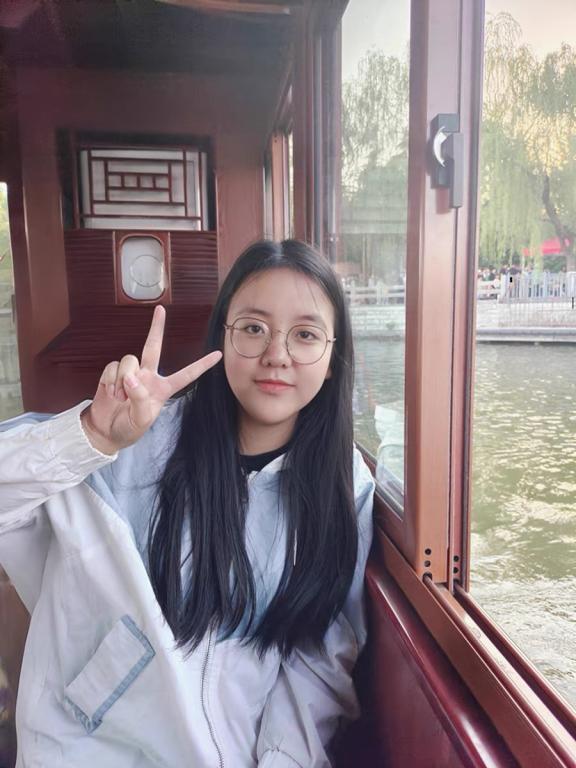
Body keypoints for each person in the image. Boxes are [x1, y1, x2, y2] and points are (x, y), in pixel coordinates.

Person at [0, 240, 375, 768]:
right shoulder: (134, 440)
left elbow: (316, 659)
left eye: (305, 334)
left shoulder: (343, 486)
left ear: (333, 360)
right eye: (253, 328)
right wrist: (92, 437)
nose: (277, 354)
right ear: (222, 337)